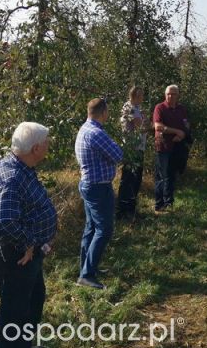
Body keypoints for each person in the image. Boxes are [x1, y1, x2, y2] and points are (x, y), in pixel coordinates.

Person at [0, 123, 57, 348]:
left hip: (29, 255)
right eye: (46, 143)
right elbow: (3, 221)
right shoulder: (12, 177)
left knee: (33, 299)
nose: (48, 146)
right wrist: (27, 244)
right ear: (36, 148)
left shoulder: (20, 166)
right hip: (18, 257)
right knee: (14, 312)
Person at [75, 98, 123, 289]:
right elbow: (118, 154)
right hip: (98, 188)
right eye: (107, 111)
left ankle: (87, 268)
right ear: (103, 112)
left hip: (89, 184)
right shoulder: (96, 133)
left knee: (91, 228)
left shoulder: (84, 129)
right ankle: (86, 275)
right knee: (104, 229)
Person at [152, 85, 190, 211]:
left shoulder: (181, 109)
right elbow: (158, 126)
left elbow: (186, 126)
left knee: (172, 175)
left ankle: (169, 202)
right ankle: (159, 204)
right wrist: (176, 131)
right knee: (161, 176)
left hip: (177, 147)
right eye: (168, 93)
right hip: (163, 146)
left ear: (178, 95)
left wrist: (182, 134)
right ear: (165, 94)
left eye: (173, 94)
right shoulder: (160, 108)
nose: (170, 96)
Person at [117, 86, 148, 221]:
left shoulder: (136, 108)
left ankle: (130, 208)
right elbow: (141, 126)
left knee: (134, 179)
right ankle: (125, 210)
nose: (143, 98)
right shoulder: (130, 108)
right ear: (135, 96)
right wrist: (146, 123)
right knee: (130, 179)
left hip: (137, 148)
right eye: (141, 95)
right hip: (132, 149)